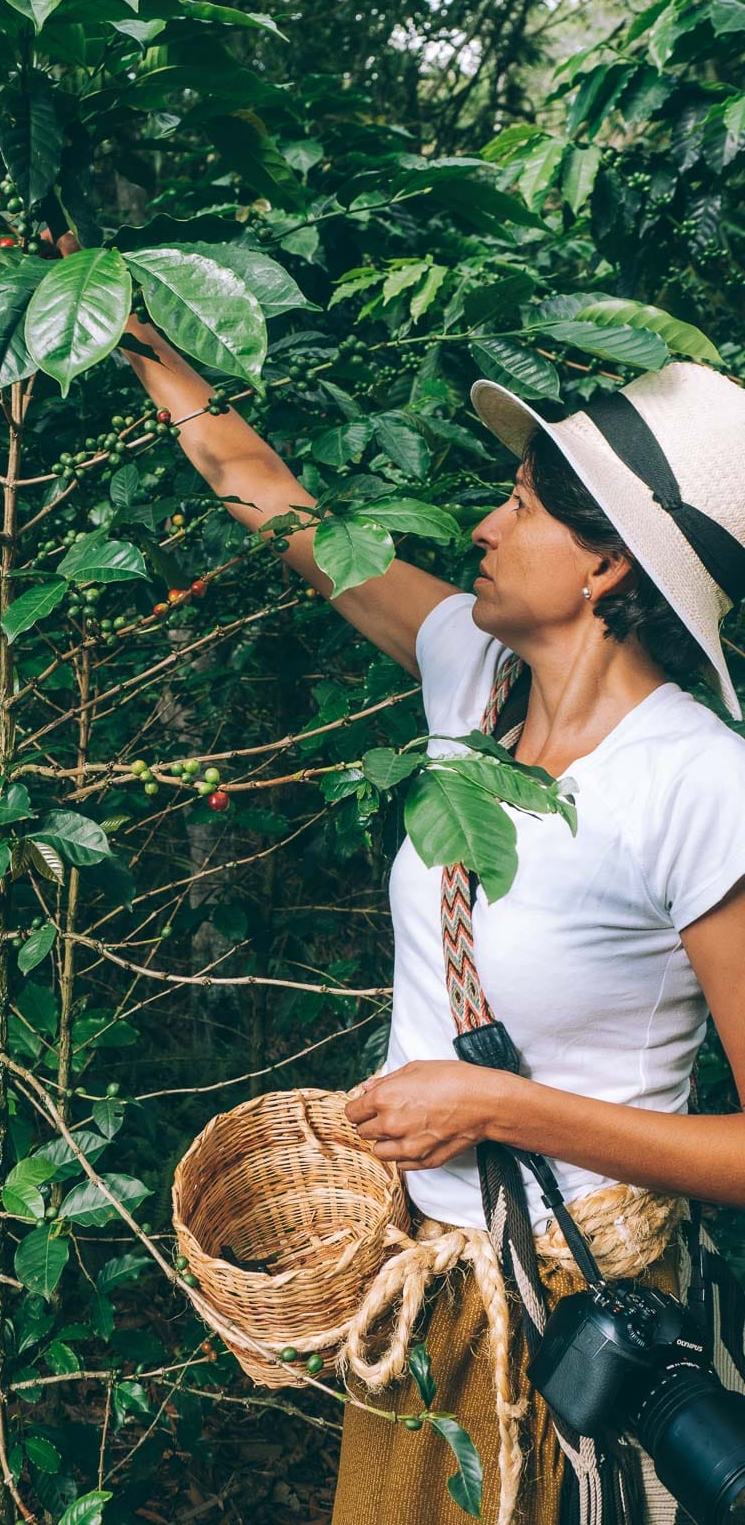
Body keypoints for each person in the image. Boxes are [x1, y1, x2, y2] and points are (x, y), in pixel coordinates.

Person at [91, 248, 745, 1523]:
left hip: (569, 1322)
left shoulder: (702, 786)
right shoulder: (469, 672)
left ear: (606, 568)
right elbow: (264, 489)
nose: (486, 528)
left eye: (523, 506)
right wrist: (122, 328)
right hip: (425, 1285)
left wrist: (503, 1103)